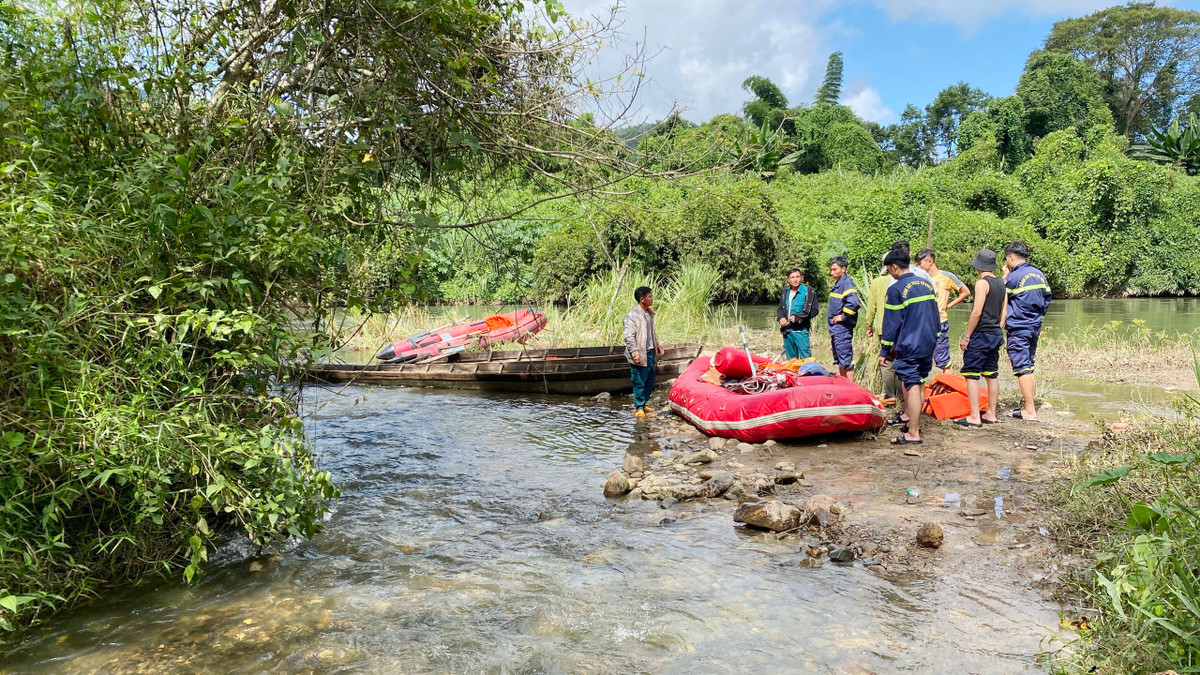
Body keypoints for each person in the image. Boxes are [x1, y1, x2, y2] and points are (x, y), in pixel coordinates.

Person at [879, 247, 938, 445]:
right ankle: (913, 424)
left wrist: (884, 350)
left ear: (895, 267)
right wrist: (935, 337)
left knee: (911, 384)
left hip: (909, 344)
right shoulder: (926, 284)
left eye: (889, 269)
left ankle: (913, 433)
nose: (889, 273)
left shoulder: (895, 289)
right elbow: (935, 315)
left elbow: (891, 324)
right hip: (927, 342)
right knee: (920, 382)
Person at [956, 249, 1006, 428]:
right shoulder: (1001, 284)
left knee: (971, 374)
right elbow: (1004, 313)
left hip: (981, 334)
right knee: (991, 374)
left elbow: (976, 312)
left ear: (978, 266)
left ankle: (974, 416)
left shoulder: (981, 284)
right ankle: (991, 413)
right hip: (995, 334)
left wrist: (967, 336)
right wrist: (996, 329)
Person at [1003, 241, 1051, 421]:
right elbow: (1047, 299)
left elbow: (1001, 298)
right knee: (1029, 365)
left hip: (1018, 327)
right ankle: (1028, 405)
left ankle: (1030, 409)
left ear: (1011, 257)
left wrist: (1004, 276)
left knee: (1022, 367)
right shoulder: (1039, 274)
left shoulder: (1013, 278)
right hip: (1034, 325)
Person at [916, 248, 971, 373]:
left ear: (930, 261)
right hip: (922, 323)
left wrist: (948, 305)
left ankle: (948, 386)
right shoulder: (919, 278)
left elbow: (965, 292)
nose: (918, 266)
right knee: (920, 358)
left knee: (943, 360)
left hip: (939, 321)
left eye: (920, 263)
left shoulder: (947, 277)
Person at [862, 254, 901, 405]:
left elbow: (871, 307)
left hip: (884, 329)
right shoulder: (902, 281)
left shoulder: (877, 282)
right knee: (899, 360)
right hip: (901, 329)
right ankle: (900, 395)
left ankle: (890, 395)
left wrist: (868, 325)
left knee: (887, 362)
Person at [623, 286, 663, 419]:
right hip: (640, 353)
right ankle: (638, 407)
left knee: (650, 381)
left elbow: (652, 333)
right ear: (642, 299)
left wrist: (657, 345)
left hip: (650, 352)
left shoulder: (648, 314)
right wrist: (635, 353)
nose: (652, 298)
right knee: (639, 381)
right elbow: (629, 336)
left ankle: (643, 403)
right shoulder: (632, 316)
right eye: (649, 296)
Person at [827, 256, 860, 380]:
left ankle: (850, 388)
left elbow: (854, 303)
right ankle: (843, 384)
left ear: (843, 269)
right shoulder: (839, 283)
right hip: (836, 329)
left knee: (846, 360)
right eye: (831, 270)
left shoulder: (846, 283)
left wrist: (843, 316)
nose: (832, 273)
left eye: (835, 270)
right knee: (840, 358)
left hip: (842, 329)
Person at [776, 267, 819, 360]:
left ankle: (808, 373)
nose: (795, 279)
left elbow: (814, 310)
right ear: (788, 279)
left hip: (801, 330)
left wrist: (798, 318)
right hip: (787, 331)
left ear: (801, 278)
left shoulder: (808, 291)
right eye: (792, 277)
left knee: (806, 358)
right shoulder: (785, 292)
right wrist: (780, 318)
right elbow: (780, 309)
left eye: (797, 277)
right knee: (791, 360)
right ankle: (793, 374)